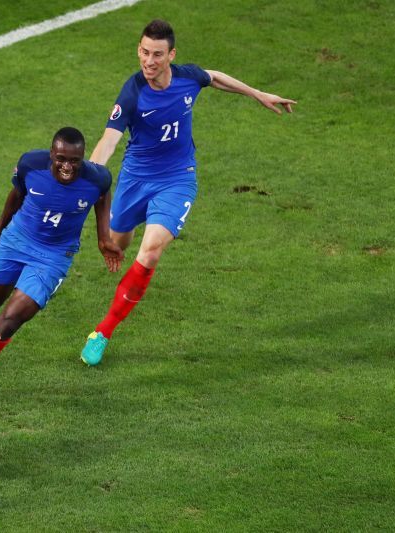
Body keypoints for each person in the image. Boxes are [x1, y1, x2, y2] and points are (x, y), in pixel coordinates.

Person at [80, 19, 296, 365]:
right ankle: (130, 228)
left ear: (171, 55)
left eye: (157, 55)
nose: (148, 61)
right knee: (117, 244)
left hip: (177, 179)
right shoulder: (132, 92)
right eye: (144, 52)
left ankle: (102, 331)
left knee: (149, 251)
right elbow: (109, 140)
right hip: (135, 179)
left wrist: (258, 94)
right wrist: (88, 178)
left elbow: (215, 77)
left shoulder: (187, 77)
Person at [0, 127, 123, 412]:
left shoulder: (97, 178)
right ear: (51, 154)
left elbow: (102, 196)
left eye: (75, 161)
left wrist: (103, 238)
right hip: (17, 239)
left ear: (83, 158)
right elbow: (16, 194)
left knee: (10, 319)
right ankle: (20, 281)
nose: (68, 167)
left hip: (54, 257)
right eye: (61, 159)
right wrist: (0, 228)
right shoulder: (30, 165)